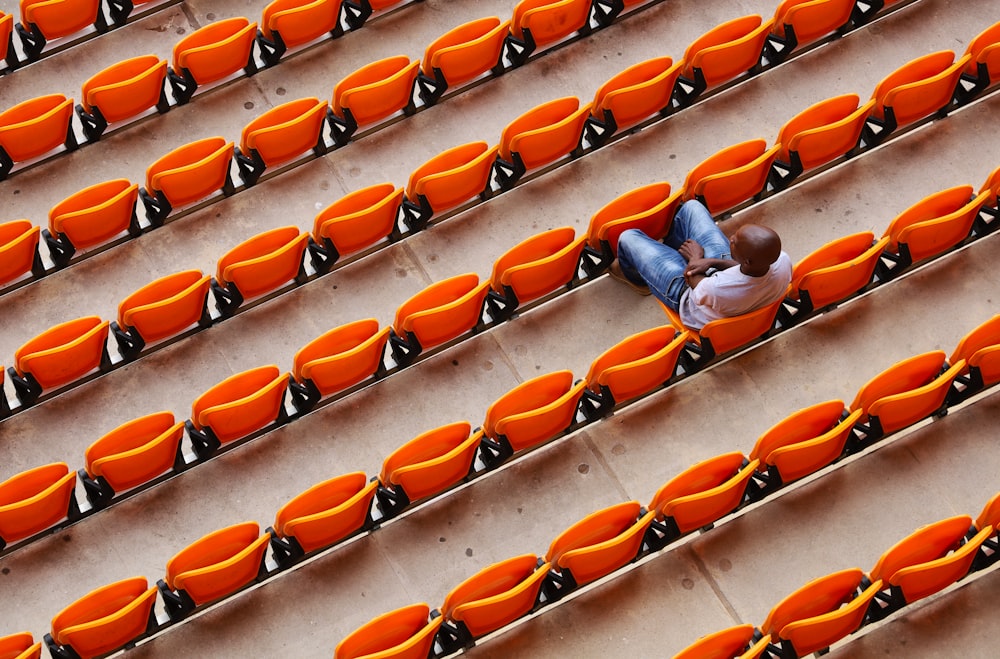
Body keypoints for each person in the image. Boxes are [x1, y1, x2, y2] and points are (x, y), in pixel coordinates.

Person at [610, 199, 792, 330]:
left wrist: (696, 258)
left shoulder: (718, 289)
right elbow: (744, 272)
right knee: (692, 207)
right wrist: (711, 261)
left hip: (689, 296)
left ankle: (637, 279)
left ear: (747, 260)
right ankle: (673, 246)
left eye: (735, 242)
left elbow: (691, 277)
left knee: (628, 237)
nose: (730, 238)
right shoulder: (782, 261)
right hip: (721, 285)